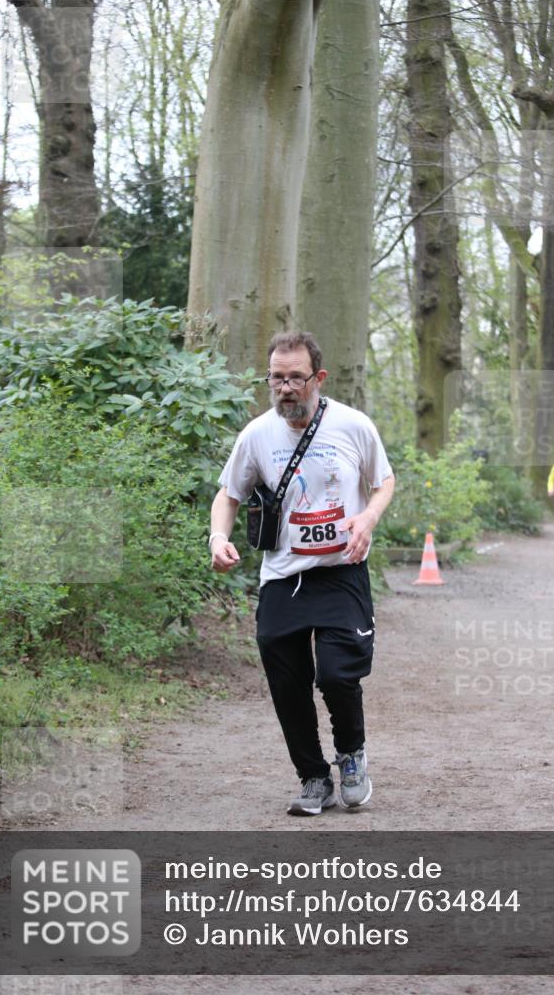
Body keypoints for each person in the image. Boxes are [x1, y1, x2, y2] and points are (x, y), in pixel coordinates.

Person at [209, 331, 395, 816]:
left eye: (296, 378)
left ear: (319, 378)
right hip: (283, 576)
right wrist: (217, 538)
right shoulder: (256, 435)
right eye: (277, 378)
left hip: (340, 572)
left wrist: (368, 518)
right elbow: (228, 494)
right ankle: (313, 777)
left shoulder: (353, 426)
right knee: (287, 684)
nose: (285, 387)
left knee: (337, 675)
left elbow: (384, 481)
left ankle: (351, 756)